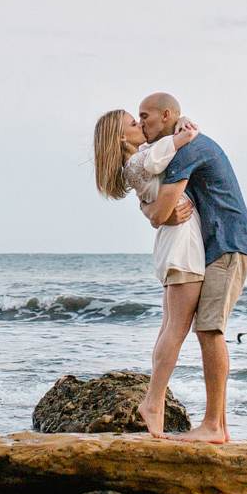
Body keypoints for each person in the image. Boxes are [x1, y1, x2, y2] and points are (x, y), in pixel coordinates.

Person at [137, 92, 247, 443]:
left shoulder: (186, 150)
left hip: (228, 242)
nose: (142, 123)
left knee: (209, 329)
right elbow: (154, 202)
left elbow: (160, 213)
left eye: (146, 116)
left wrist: (159, 213)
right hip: (216, 244)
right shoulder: (181, 143)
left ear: (167, 114)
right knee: (205, 328)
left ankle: (214, 426)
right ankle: (218, 427)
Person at [91, 107, 204, 437]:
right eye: (133, 122)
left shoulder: (134, 163)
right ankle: (153, 404)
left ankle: (154, 400)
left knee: (169, 326)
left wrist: (178, 122)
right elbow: (169, 150)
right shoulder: (141, 161)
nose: (141, 124)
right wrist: (185, 132)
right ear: (121, 137)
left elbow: (160, 153)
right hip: (183, 246)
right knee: (176, 329)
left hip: (172, 245)